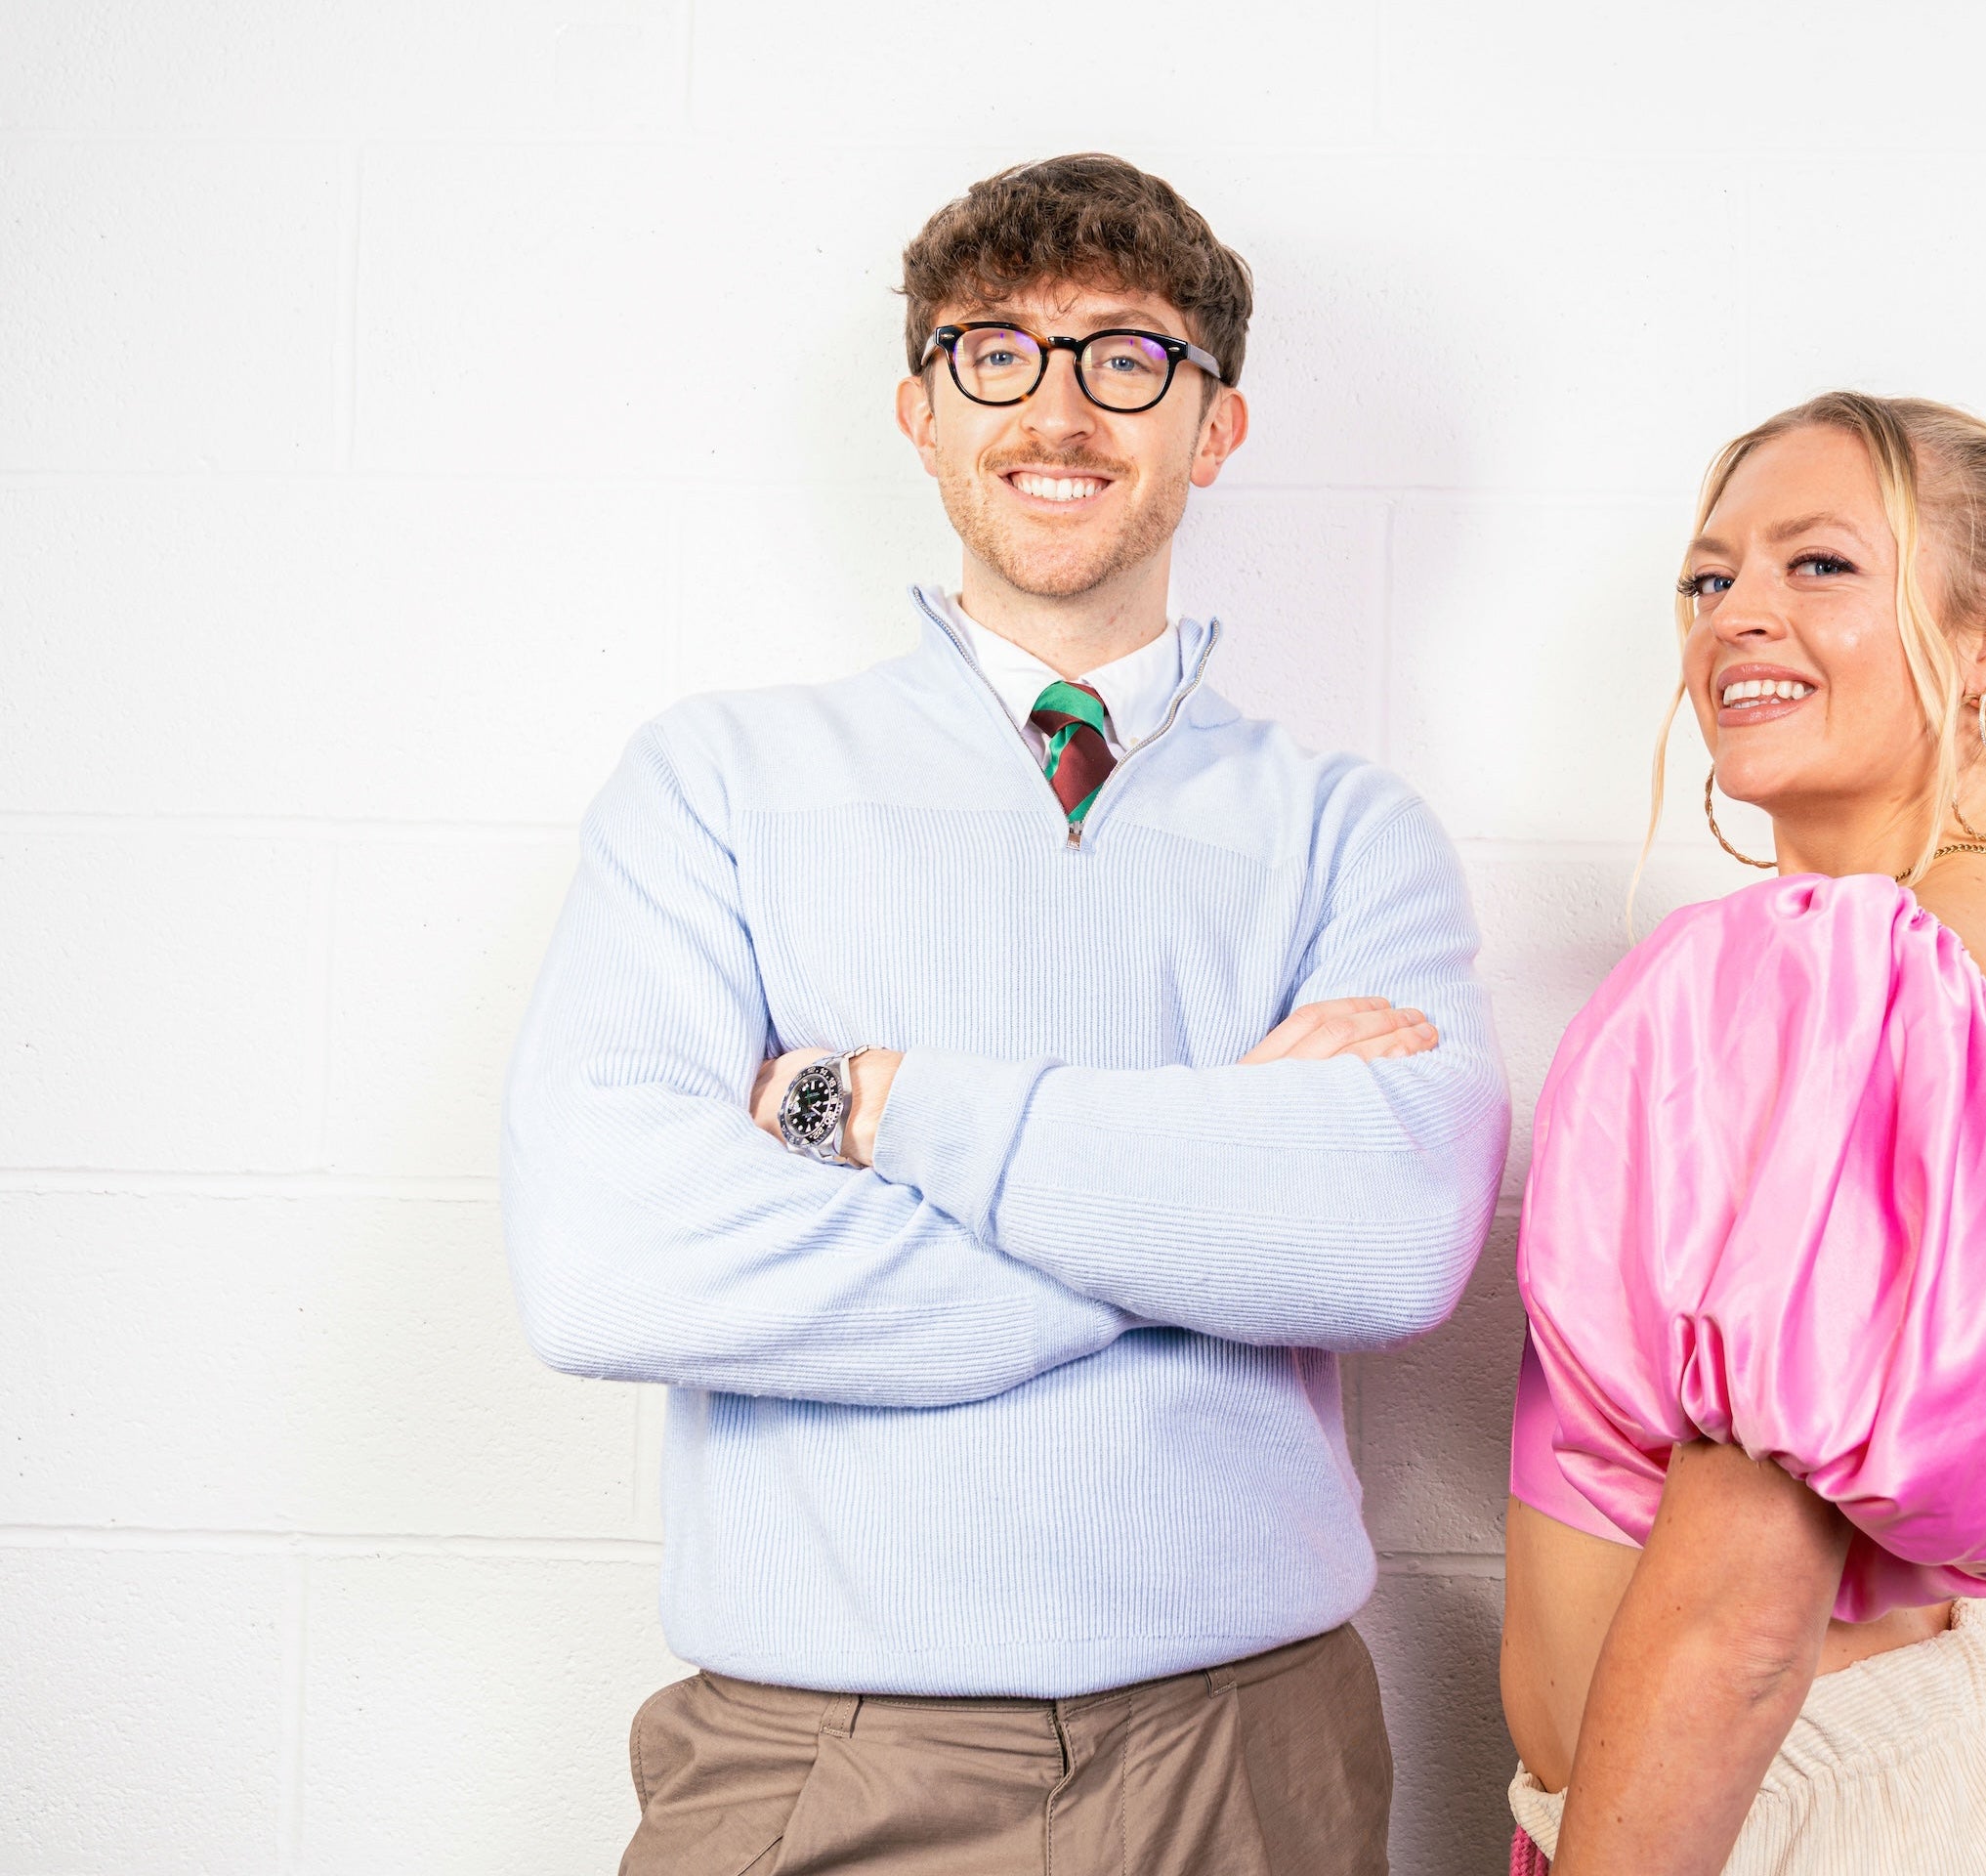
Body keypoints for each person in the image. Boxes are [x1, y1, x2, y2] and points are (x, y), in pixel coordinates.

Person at [500, 152, 1507, 1875]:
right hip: (820, 1757)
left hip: (1251, 1755)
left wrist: (887, 1107)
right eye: (996, 353)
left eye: (1128, 355)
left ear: (1215, 426)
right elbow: (610, 1262)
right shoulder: (718, 782)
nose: (1058, 408)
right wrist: (1201, 1204)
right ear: (921, 412)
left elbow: (1387, 1245)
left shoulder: (1350, 829)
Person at [1497, 393, 1986, 1875]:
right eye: (1711, 577)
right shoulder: (1984, 957)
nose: (1735, 615)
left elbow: (1740, 1617)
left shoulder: (1880, 979)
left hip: (1753, 1822)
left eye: (1820, 564)